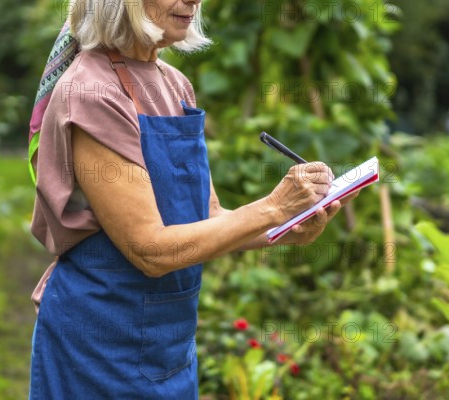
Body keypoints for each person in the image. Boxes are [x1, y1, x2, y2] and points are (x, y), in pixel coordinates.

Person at [28, 0, 357, 398]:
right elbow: (150, 250)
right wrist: (272, 207)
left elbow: (210, 215)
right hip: (99, 341)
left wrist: (284, 228)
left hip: (167, 341)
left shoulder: (173, 83)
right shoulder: (93, 92)